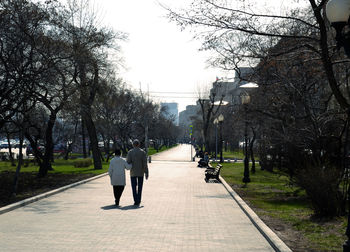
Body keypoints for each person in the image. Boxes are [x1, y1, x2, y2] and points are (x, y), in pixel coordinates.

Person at [127, 139, 149, 206]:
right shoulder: (142, 152)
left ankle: (135, 200)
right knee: (140, 187)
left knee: (133, 187)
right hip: (140, 172)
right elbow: (145, 163)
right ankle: (138, 200)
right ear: (139, 144)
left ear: (133, 145)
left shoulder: (130, 152)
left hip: (133, 172)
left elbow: (128, 162)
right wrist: (146, 172)